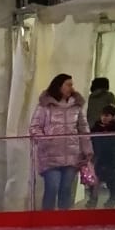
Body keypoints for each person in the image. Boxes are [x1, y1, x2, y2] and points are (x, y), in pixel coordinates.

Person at [29, 73, 90, 210]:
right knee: (52, 188)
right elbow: (34, 127)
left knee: (66, 190)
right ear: (59, 86)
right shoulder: (44, 106)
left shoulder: (77, 106)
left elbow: (83, 129)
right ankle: (47, 220)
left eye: (72, 85)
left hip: (72, 156)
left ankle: (65, 221)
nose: (71, 88)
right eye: (68, 84)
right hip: (50, 157)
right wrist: (45, 140)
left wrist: (87, 151)